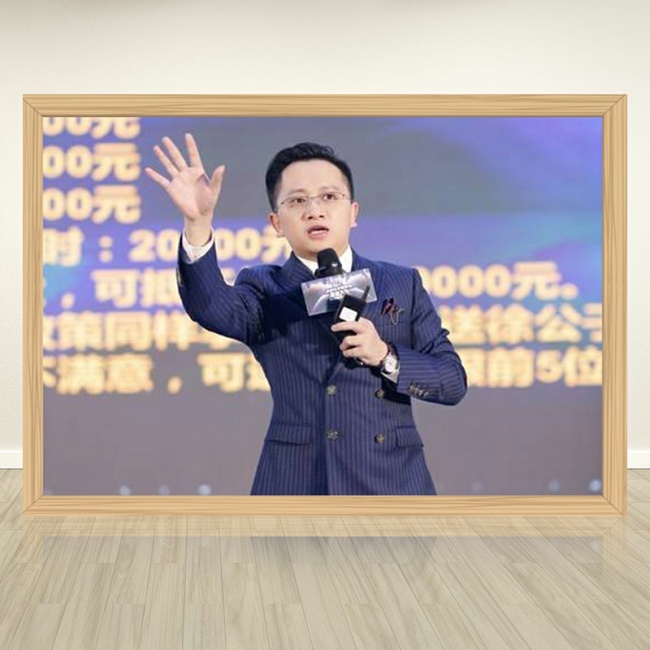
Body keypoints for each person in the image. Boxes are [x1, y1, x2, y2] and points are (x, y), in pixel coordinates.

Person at [145, 135, 467, 495]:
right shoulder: (266, 288)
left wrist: (384, 355)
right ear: (276, 222)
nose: (315, 211)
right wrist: (198, 224)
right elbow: (210, 306)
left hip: (392, 483)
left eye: (329, 197)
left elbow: (452, 381)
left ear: (353, 213)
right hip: (299, 481)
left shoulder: (400, 282)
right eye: (297, 200)